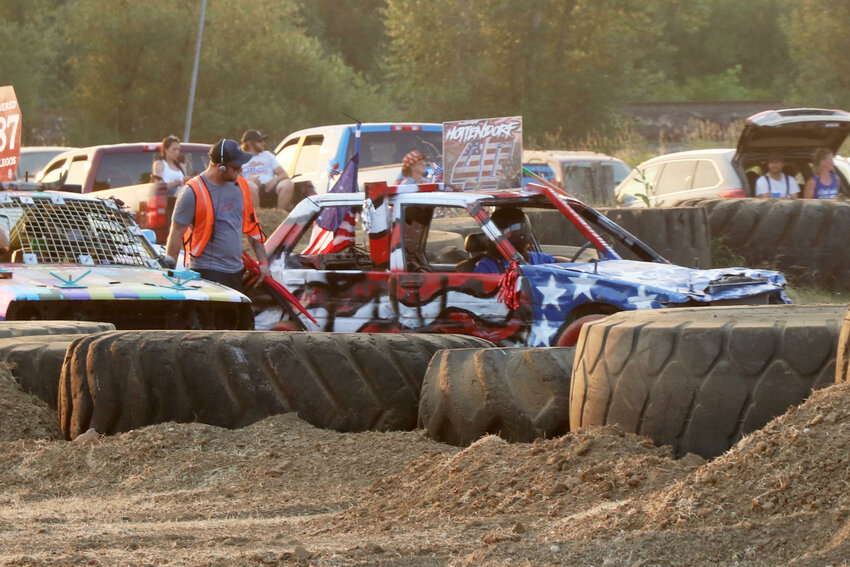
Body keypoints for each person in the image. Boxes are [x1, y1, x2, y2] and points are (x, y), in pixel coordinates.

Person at [163, 139, 269, 292]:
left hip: (235, 270)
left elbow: (252, 227)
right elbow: (176, 232)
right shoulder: (192, 191)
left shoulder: (241, 186)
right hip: (206, 273)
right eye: (236, 167)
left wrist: (263, 263)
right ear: (221, 167)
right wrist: (170, 272)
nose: (240, 170)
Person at [473, 206, 556, 273]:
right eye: (499, 231)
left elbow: (564, 263)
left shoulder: (537, 258)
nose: (503, 235)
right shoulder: (487, 266)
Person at [240, 129, 294, 210]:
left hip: (270, 188)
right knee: (250, 186)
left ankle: (279, 215)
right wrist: (247, 180)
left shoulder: (268, 155)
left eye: (263, 141)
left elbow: (284, 174)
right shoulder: (240, 158)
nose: (263, 143)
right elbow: (233, 180)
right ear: (249, 143)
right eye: (259, 141)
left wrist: (274, 180)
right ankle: (258, 217)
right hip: (252, 189)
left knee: (288, 183)